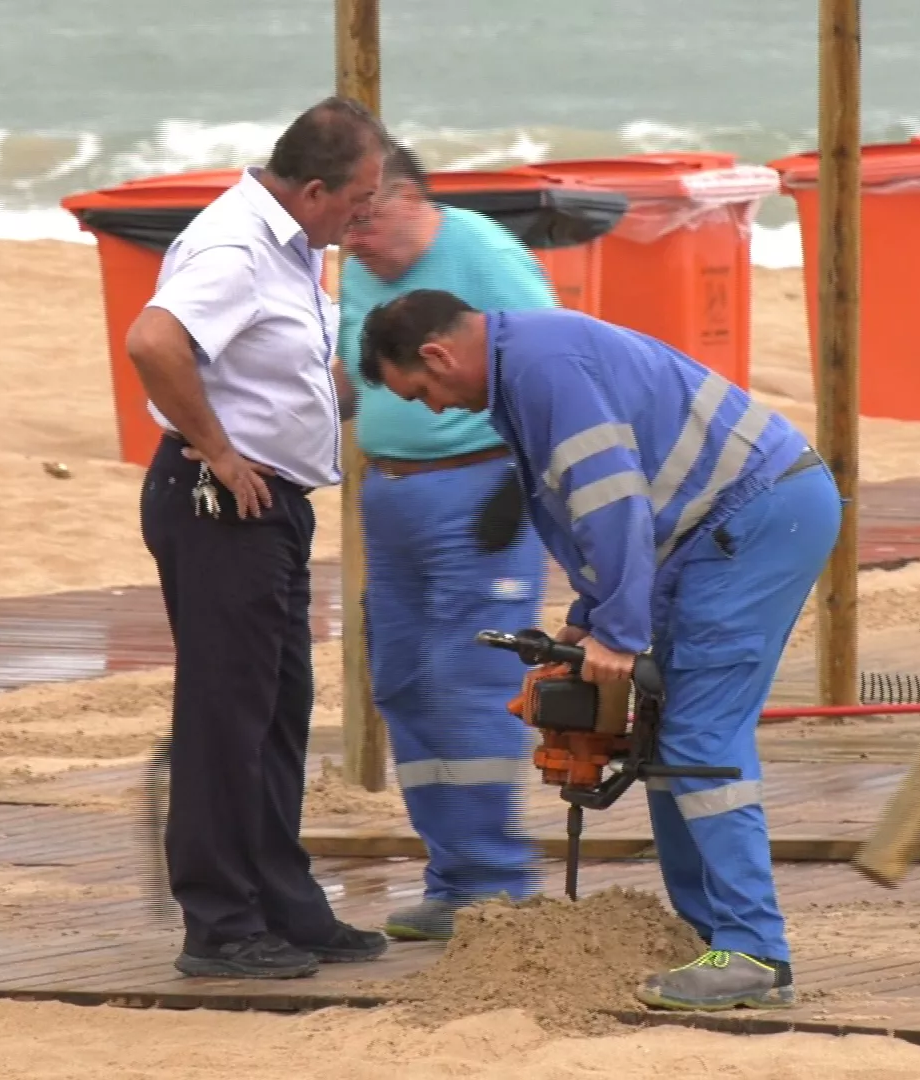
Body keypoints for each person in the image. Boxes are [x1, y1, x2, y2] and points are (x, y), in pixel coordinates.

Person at [354, 290, 839, 1012]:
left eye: (422, 391)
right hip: (722, 526)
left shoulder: (543, 366)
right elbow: (599, 501)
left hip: (753, 518)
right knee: (668, 736)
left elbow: (613, 499)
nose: (431, 408)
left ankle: (754, 953)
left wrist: (618, 627)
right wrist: (591, 618)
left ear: (437, 353)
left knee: (703, 735)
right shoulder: (524, 365)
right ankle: (708, 935)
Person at [124, 96, 392, 980]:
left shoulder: (290, 247)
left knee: (276, 713)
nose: (368, 216)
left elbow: (273, 369)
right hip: (218, 501)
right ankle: (219, 923)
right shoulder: (237, 248)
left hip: (269, 505)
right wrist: (221, 452)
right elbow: (153, 341)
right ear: (313, 189)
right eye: (359, 200)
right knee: (224, 718)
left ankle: (285, 903)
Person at [333, 141, 561, 941]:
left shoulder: (485, 255)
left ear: (408, 199)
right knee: (401, 681)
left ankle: (499, 882)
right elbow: (349, 373)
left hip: (479, 490)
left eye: (364, 221)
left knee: (468, 678)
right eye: (345, 225)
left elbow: (553, 366)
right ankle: (451, 873)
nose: (351, 240)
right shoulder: (360, 269)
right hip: (389, 497)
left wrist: (517, 484)